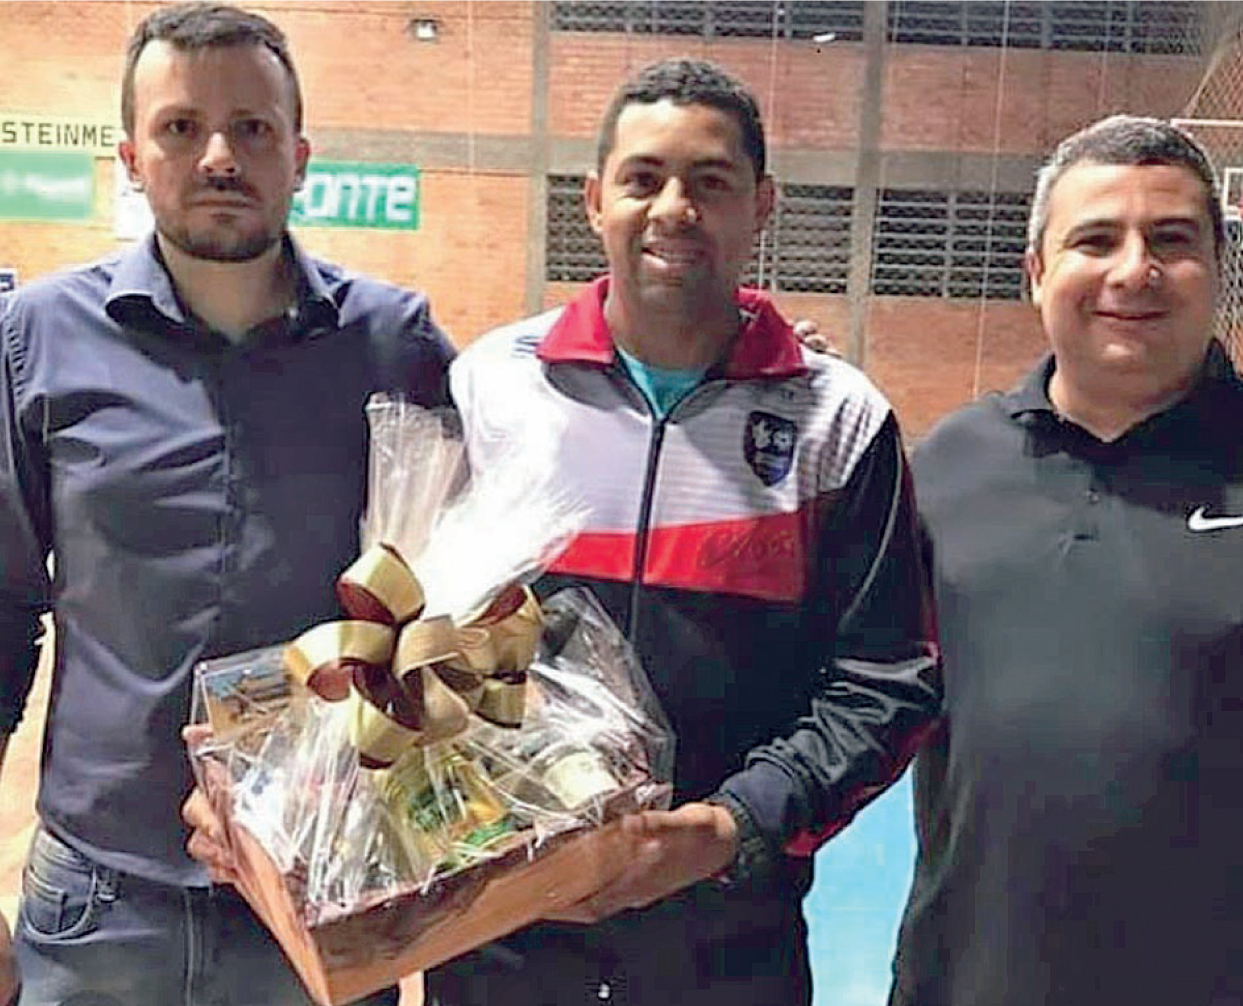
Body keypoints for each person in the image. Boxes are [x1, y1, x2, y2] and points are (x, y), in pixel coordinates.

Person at [434, 58, 940, 1005]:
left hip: (727, 943)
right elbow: (417, 639)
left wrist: (731, 825)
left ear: (762, 205)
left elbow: (884, 687)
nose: (674, 207)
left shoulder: (838, 422)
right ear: (593, 200)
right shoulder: (491, 385)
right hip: (501, 938)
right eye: (642, 178)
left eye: (710, 182)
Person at [0, 3, 454, 1004]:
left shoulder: (396, 344)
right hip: (100, 906)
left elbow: (466, 599)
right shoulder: (38, 341)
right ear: (130, 156)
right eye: (179, 127)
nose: (218, 155)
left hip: (318, 894)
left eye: (251, 128)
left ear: (299, 153)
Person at [890, 114, 1243, 1006]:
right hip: (964, 977)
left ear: (1218, 272)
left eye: (1171, 240)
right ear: (1037, 271)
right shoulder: (943, 468)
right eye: (1095, 239)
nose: (1133, 270)